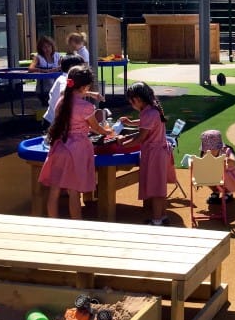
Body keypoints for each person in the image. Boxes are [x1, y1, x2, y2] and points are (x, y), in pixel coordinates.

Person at [38, 65, 112, 219]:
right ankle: (76, 224)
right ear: (85, 86)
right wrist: (108, 132)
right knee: (74, 191)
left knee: (54, 189)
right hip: (76, 150)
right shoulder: (87, 108)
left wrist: (89, 93)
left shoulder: (61, 101)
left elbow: (72, 94)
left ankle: (53, 222)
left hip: (59, 146)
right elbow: (96, 127)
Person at [118, 82, 177, 226]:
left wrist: (121, 144)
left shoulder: (149, 112)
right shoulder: (151, 109)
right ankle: (162, 216)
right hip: (158, 152)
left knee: (156, 189)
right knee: (160, 187)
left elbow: (140, 138)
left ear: (138, 99)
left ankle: (156, 220)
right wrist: (131, 123)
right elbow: (144, 123)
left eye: (132, 101)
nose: (131, 104)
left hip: (154, 154)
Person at [197, 129, 235, 208]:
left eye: (212, 148)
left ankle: (228, 193)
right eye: (207, 148)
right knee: (205, 175)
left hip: (229, 177)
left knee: (222, 175)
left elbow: (234, 161)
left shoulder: (226, 151)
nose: (210, 150)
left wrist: (226, 160)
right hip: (215, 176)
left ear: (219, 146)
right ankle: (216, 191)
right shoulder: (206, 153)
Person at [42, 53, 85, 129]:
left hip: (54, 120)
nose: (83, 69)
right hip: (53, 123)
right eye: (81, 66)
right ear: (72, 67)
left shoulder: (66, 78)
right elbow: (64, 92)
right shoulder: (64, 79)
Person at [28, 36, 62, 106]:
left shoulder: (57, 56)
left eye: (49, 46)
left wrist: (56, 69)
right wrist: (43, 70)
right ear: (41, 49)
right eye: (44, 47)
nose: (47, 49)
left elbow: (63, 67)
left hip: (57, 89)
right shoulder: (38, 57)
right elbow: (30, 69)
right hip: (43, 90)